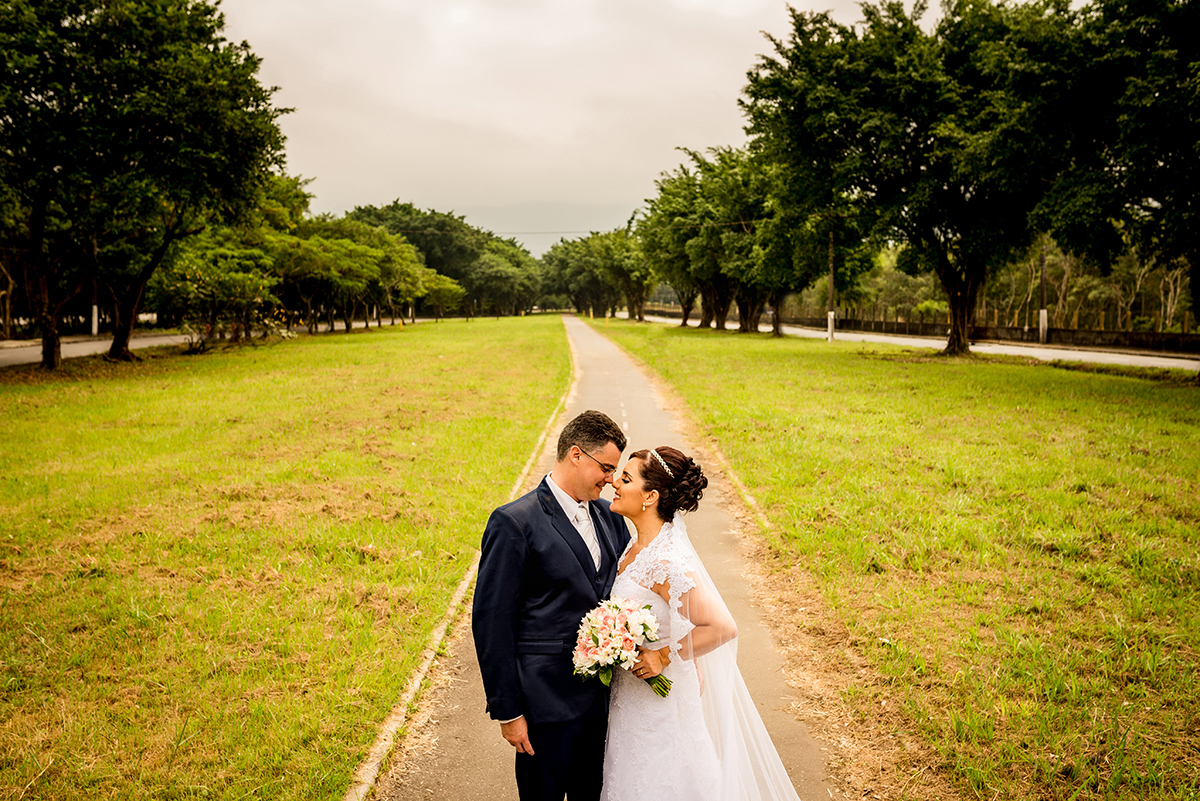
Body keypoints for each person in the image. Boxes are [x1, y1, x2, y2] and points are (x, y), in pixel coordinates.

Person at [602, 446, 802, 801]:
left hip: (658, 705)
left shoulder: (667, 561)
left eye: (626, 478)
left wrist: (662, 655)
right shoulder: (636, 546)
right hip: (630, 700)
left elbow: (722, 627)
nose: (615, 482)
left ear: (650, 496)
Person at [473, 410, 655, 801]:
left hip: (603, 704)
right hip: (544, 707)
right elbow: (492, 623)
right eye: (606, 468)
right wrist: (508, 712)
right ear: (576, 454)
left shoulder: (610, 517)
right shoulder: (514, 522)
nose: (610, 480)